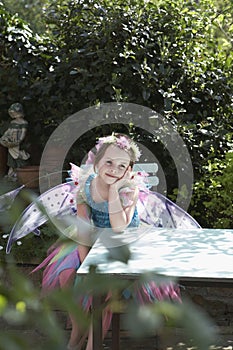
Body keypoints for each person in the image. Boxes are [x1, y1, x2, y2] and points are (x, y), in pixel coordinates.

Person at [33, 133, 181, 350]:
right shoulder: (86, 187)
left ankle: (94, 343)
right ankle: (77, 330)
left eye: (122, 166)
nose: (114, 169)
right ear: (96, 164)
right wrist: (85, 264)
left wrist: (114, 191)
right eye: (108, 162)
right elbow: (83, 229)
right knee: (67, 273)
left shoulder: (130, 189)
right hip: (93, 239)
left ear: (129, 170)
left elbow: (120, 227)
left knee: (107, 289)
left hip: (124, 244)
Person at [0, 103, 30, 179]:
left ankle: (20, 174)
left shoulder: (24, 123)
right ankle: (11, 173)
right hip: (11, 142)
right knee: (11, 159)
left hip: (18, 143)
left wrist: (19, 140)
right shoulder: (13, 123)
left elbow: (23, 132)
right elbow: (8, 131)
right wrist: (4, 137)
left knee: (19, 157)